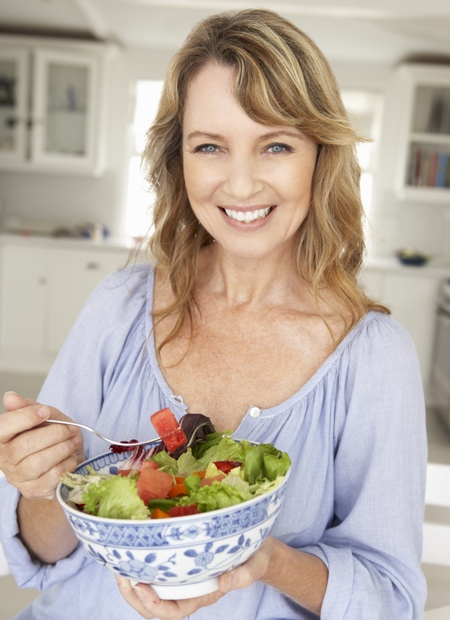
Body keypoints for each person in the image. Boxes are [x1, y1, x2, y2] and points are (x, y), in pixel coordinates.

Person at [0, 8, 427, 620]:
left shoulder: (372, 355)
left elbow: (391, 601)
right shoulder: (119, 306)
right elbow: (44, 552)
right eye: (211, 147)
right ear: (180, 160)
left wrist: (266, 561)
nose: (242, 183)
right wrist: (41, 484)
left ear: (320, 157)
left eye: (276, 144)